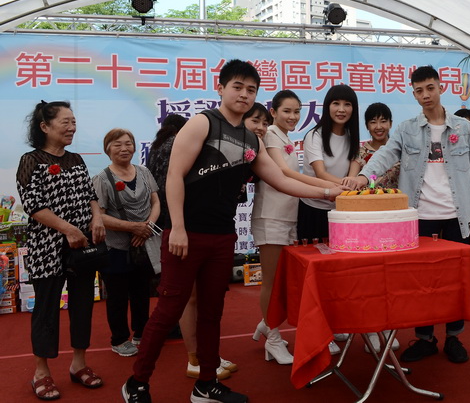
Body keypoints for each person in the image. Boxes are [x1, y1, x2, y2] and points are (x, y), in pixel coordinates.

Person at [122, 60, 343, 403]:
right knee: (168, 311)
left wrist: (330, 192)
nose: (244, 94)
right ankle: (136, 383)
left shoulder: (250, 137)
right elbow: (174, 175)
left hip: (223, 237)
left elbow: (280, 179)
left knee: (212, 313)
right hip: (185, 235)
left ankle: (206, 385)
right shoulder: (203, 123)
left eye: (251, 89)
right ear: (221, 88)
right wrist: (177, 227)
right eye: (237, 87)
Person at [345, 65, 470, 364]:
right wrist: (364, 177)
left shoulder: (464, 128)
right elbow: (384, 155)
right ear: (413, 93)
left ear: (441, 87)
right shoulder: (407, 129)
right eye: (419, 90)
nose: (425, 95)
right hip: (419, 217)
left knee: (455, 282)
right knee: (421, 283)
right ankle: (425, 339)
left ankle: (454, 337)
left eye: (430, 88)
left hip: (457, 217)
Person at [16, 101, 106, 400]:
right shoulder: (31, 160)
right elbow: (34, 206)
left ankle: (78, 364)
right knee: (45, 310)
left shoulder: (76, 159)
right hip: (48, 248)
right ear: (45, 126)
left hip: (82, 247)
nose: (72, 127)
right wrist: (68, 229)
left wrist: (96, 218)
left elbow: (91, 196)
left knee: (83, 305)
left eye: (74, 121)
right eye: (65, 122)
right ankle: (41, 373)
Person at [251, 90, 340, 364]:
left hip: (289, 216)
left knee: (282, 281)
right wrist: (328, 188)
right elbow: (285, 174)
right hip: (271, 216)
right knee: (270, 282)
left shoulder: (286, 138)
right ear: (273, 112)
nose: (293, 116)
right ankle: (273, 338)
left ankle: (267, 324)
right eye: (286, 111)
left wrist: (331, 187)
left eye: (297, 111)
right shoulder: (269, 135)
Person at [146, 115, 237, 381]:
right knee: (186, 300)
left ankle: (203, 359)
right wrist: (179, 226)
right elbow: (177, 182)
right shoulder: (179, 144)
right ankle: (194, 358)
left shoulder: (158, 148)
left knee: (197, 301)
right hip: (184, 226)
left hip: (182, 225)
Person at [92, 129, 160, 358]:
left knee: (142, 292)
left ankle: (141, 333)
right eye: (117, 144)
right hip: (116, 248)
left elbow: (156, 202)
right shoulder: (102, 179)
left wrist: (147, 226)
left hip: (143, 244)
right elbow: (99, 216)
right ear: (108, 149)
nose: (124, 148)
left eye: (128, 143)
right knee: (118, 296)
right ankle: (119, 339)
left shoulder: (144, 172)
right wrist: (133, 228)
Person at [353, 102, 401, 353]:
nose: (379, 126)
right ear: (367, 125)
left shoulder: (401, 148)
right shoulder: (360, 151)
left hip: (395, 220)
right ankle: (371, 329)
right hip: (367, 222)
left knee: (392, 277)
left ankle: (389, 326)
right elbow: (354, 180)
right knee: (369, 276)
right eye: (373, 121)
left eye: (383, 121)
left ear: (391, 123)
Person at [297, 83, 360, 241]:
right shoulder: (314, 136)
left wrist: (351, 183)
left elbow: (354, 167)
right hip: (313, 208)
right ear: (327, 106)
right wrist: (347, 187)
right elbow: (321, 173)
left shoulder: (352, 137)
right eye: (336, 103)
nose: (341, 109)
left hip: (341, 208)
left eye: (347, 104)